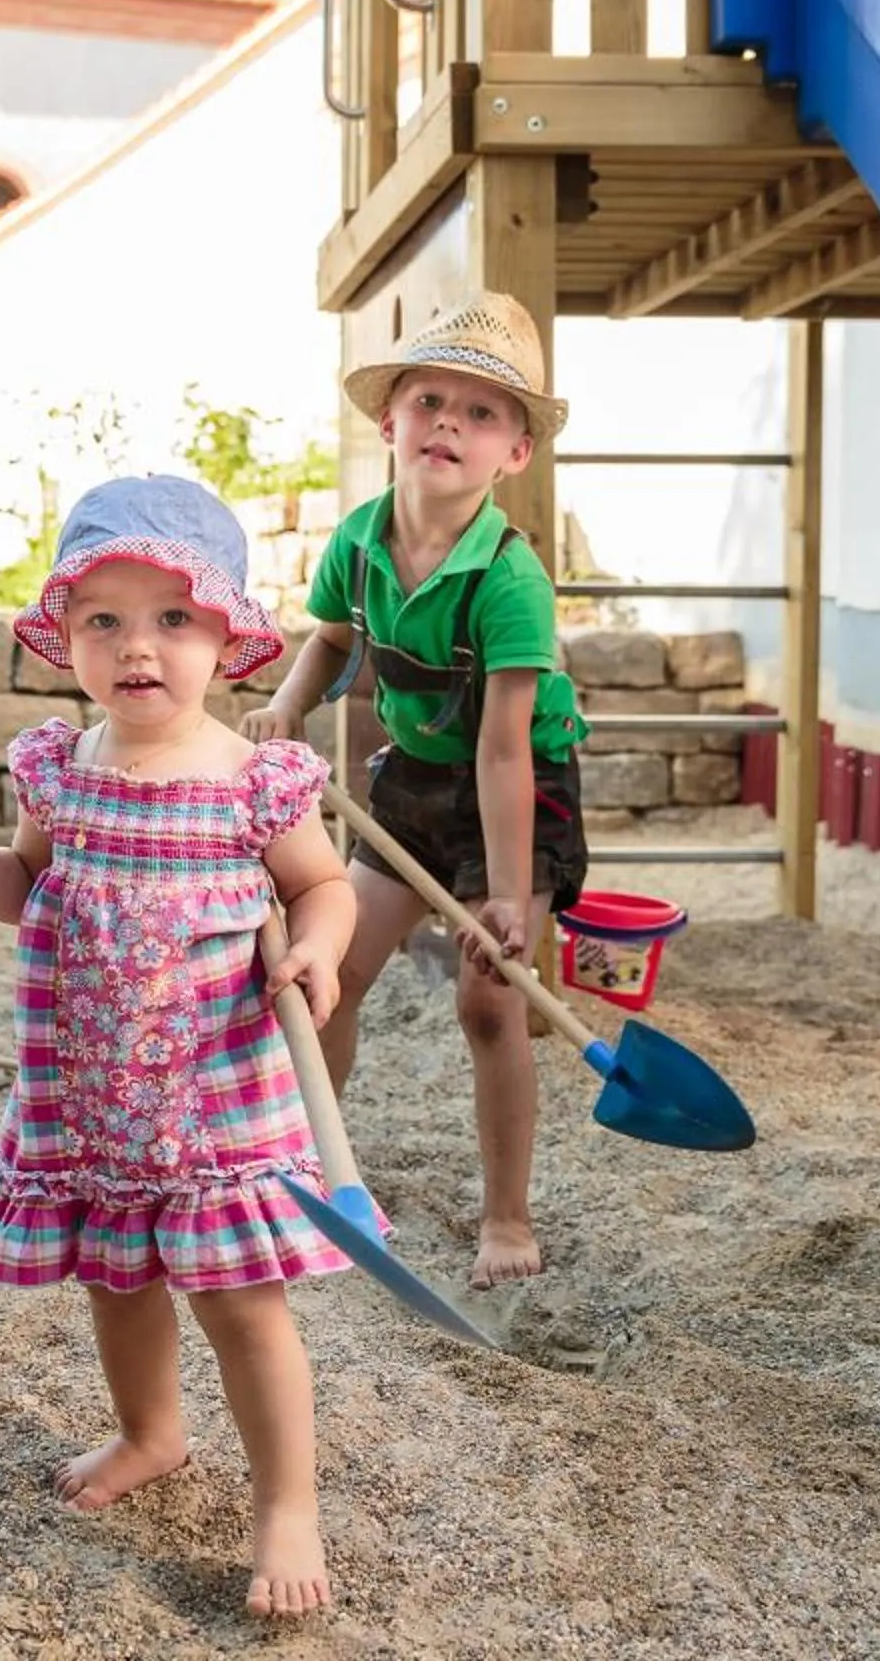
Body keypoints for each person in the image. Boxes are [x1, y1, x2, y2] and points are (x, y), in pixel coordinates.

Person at [0, 473, 359, 1619]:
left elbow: (323, 885)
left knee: (243, 1299)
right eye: (106, 619)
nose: (139, 647)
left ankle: (288, 1501)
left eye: (173, 618)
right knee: (117, 1276)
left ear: (229, 639)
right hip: (89, 1091)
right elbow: (28, 880)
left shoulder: (253, 780)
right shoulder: (62, 768)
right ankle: (151, 1432)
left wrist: (321, 950)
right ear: (68, 638)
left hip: (214, 1096)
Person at [242, 292, 589, 1290]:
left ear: (515, 453)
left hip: (518, 781)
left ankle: (508, 1218)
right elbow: (333, 639)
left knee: (490, 999)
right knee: (331, 969)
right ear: (387, 418)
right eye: (429, 398)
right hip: (415, 776)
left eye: (481, 412)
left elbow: (505, 752)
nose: (448, 422)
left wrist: (508, 897)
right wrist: (289, 705)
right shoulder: (356, 541)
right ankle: (318, 1166)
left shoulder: (509, 578)